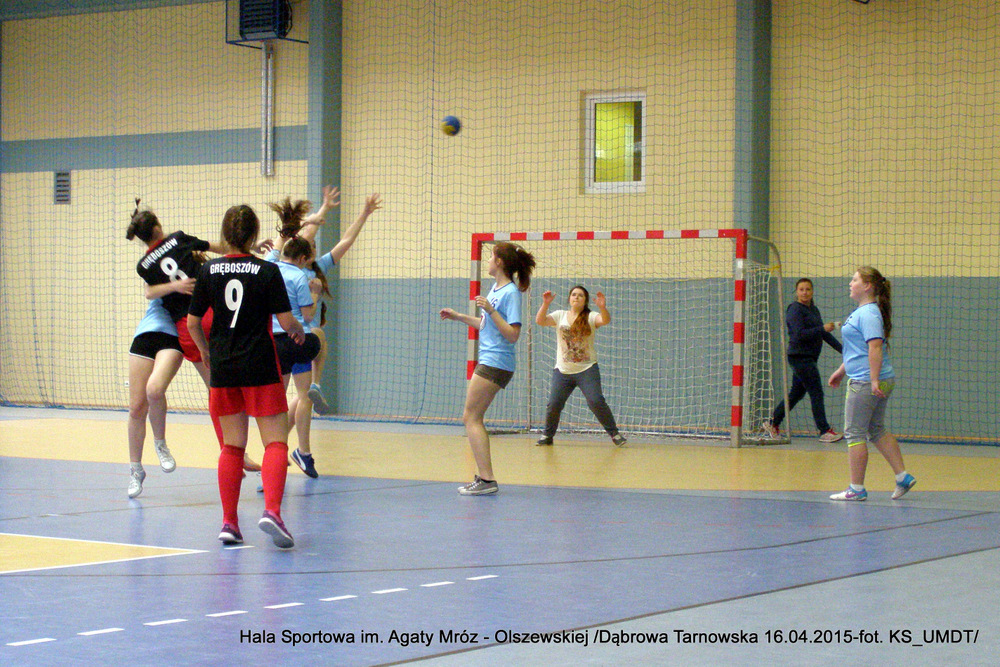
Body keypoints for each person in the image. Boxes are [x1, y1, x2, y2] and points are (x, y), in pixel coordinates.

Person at [187, 204, 305, 548]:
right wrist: (300, 332)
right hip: (260, 365)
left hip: (224, 367)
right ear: (254, 236)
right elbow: (286, 321)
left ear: (225, 235)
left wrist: (205, 351)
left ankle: (229, 523)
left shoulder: (208, 270)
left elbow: (193, 323)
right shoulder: (267, 271)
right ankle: (272, 512)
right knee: (276, 442)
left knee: (232, 446)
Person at [127, 200, 265, 472]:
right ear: (158, 227)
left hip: (188, 327)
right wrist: (249, 249)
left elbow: (149, 292)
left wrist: (173, 287)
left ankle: (231, 452)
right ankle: (237, 450)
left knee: (216, 389)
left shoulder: (144, 265)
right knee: (228, 387)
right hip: (212, 313)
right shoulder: (178, 239)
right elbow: (220, 248)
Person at [440, 242, 536, 495]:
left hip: (496, 362)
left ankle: (487, 479)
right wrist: (459, 316)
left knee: (471, 417)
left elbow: (512, 334)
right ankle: (485, 478)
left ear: (500, 262)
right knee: (472, 417)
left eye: (492, 257)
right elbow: (485, 325)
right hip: (490, 360)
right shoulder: (495, 289)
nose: (489, 261)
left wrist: (491, 310)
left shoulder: (510, 293)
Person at [827, 266, 915, 502]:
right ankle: (903, 477)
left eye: (854, 279)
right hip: (873, 379)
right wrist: (841, 371)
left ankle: (856, 488)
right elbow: (857, 350)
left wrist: (874, 380)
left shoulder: (868, 314)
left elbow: (875, 347)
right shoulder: (864, 312)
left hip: (866, 382)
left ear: (867, 286)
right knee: (876, 430)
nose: (850, 283)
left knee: (854, 433)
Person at [293, 189, 381, 414]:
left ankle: (286, 430)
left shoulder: (318, 268)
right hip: (296, 333)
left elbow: (346, 241)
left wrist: (364, 214)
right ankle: (316, 384)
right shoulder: (292, 271)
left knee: (302, 399)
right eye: (309, 245)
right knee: (304, 394)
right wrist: (323, 209)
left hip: (309, 337)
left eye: (315, 246)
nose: (313, 249)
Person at [267, 197, 324, 477]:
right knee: (318, 340)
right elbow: (308, 315)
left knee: (278, 404)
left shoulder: (269, 266)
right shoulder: (300, 277)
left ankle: (273, 457)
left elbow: (276, 247)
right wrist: (315, 292)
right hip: (297, 341)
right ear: (302, 259)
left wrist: (291, 226)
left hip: (272, 344)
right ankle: (317, 383)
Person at [534, 286, 626, 447]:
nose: (576, 297)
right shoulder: (560, 315)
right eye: (574, 295)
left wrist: (602, 308)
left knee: (596, 401)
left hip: (587, 369)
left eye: (580, 295)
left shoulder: (591, 316)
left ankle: (615, 434)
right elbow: (540, 321)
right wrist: (545, 304)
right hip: (563, 371)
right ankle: (547, 435)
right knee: (554, 404)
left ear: (585, 301)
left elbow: (605, 320)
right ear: (569, 298)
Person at [764, 278, 844, 443]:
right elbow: (799, 333)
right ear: (797, 292)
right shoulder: (794, 309)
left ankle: (772, 422)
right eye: (801, 289)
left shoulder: (814, 310)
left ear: (812, 291)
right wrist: (821, 328)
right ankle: (824, 430)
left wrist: (844, 351)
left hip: (810, 357)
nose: (805, 292)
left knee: (796, 393)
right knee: (816, 391)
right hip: (800, 357)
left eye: (808, 289)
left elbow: (824, 334)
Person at [126, 298, 183, 498]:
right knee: (136, 408)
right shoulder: (164, 279)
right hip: (145, 334)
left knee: (154, 390)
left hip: (173, 337)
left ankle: (161, 444)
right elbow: (150, 291)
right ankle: (136, 470)